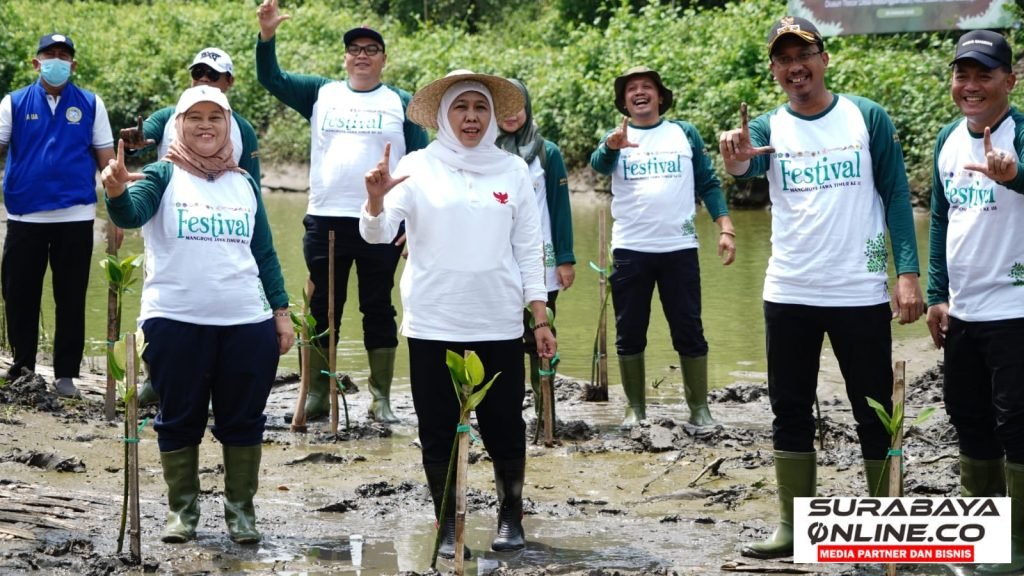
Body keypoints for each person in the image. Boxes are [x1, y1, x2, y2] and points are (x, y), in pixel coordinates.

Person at [719, 16, 924, 559]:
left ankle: (883, 527)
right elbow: (742, 164)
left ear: (824, 59)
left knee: (874, 407)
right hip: (789, 289)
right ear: (773, 70)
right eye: (783, 60)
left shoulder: (866, 117)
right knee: (788, 409)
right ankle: (794, 528)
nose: (795, 68)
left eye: (803, 55)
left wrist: (907, 272)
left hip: (858, 289)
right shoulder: (767, 128)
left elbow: (897, 195)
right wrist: (734, 154)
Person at [360, 70, 555, 559]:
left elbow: (529, 248)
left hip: (498, 321)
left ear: (492, 117)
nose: (471, 117)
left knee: (505, 425)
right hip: (433, 320)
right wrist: (375, 200)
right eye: (461, 108)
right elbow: (379, 235)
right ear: (444, 116)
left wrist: (541, 316)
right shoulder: (417, 165)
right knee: (438, 429)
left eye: (480, 108)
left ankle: (511, 519)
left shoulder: (511, 170)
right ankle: (447, 527)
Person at [101, 85, 293, 545]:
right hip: (175, 320)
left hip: (246, 322)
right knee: (179, 417)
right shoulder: (161, 175)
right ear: (178, 125)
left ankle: (241, 515)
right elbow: (131, 214)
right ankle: (182, 515)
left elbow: (263, 252)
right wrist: (114, 192)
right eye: (194, 117)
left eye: (215, 117)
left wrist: (281, 312)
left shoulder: (244, 182)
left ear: (228, 126)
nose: (205, 125)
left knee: (243, 420)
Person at [256, 0, 428, 423]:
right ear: (345, 57)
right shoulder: (322, 94)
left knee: (378, 306)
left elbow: (424, 167)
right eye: (355, 48)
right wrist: (266, 35)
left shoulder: (401, 103)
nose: (363, 55)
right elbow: (270, 78)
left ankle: (381, 397)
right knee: (322, 308)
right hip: (326, 220)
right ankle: (317, 391)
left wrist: (414, 224)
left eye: (372, 48)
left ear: (384, 59)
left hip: (381, 219)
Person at [926, 30, 1024, 574]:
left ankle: (1019, 545)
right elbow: (942, 219)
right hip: (964, 312)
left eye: (984, 74)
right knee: (968, 418)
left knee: (1018, 425)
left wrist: (1015, 176)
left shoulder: (1022, 134)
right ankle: (982, 538)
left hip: (1017, 309)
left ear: (1010, 80)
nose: (971, 85)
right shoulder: (947, 138)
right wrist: (938, 295)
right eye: (962, 74)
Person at [590, 66, 735, 429]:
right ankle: (635, 409)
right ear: (624, 101)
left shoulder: (683, 133)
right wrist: (611, 146)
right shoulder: (617, 137)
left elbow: (709, 182)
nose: (639, 93)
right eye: (631, 90)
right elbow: (598, 164)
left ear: (660, 95)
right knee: (630, 330)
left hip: (679, 247)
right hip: (630, 249)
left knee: (689, 327)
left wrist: (725, 227)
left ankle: (699, 409)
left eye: (647, 87)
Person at [0, 33, 115, 398]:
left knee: (71, 297)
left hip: (76, 216)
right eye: (49, 54)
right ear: (36, 62)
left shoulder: (91, 104)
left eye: (63, 55)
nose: (56, 60)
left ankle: (66, 375)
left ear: (73, 65)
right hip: (24, 216)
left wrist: (117, 216)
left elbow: (107, 163)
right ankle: (23, 369)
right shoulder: (13, 103)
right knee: (19, 296)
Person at [496, 79, 575, 423]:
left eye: (518, 106)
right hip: (495, 258)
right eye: (503, 107)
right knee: (501, 338)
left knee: (540, 333)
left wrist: (566, 258)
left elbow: (559, 208)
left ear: (527, 108)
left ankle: (545, 412)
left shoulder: (548, 153)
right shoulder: (484, 151)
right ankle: (504, 411)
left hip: (539, 260)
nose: (511, 114)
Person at [120, 47, 262, 187]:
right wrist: (134, 143)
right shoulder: (167, 117)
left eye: (213, 74)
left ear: (230, 81)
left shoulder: (243, 129)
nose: (204, 78)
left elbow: (252, 185)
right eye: (198, 72)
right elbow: (145, 135)